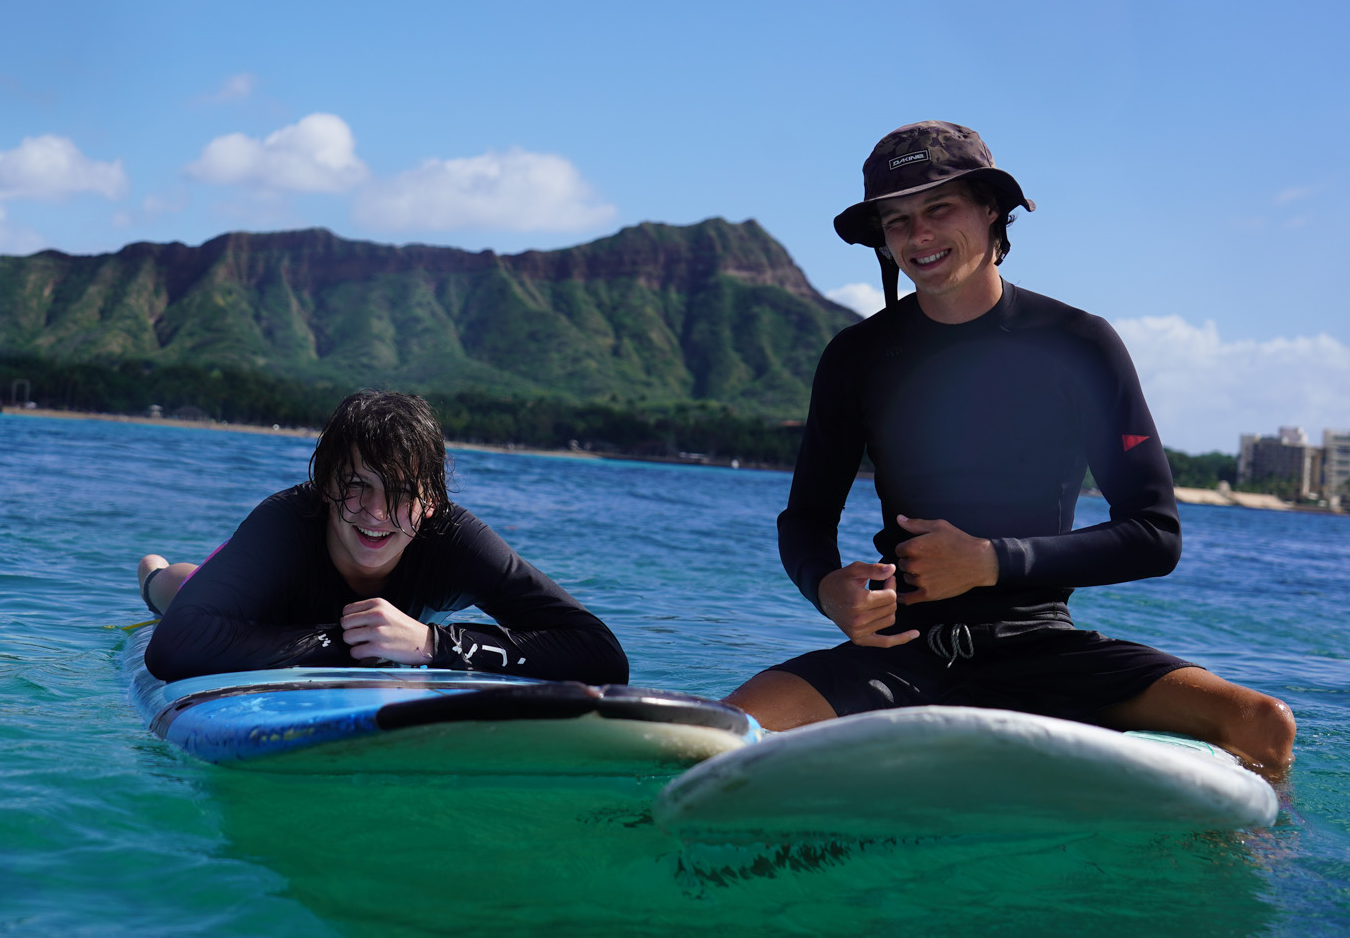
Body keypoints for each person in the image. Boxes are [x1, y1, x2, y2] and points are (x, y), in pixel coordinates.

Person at [725, 121, 1296, 775]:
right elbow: (805, 520)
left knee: (1262, 725)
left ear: (991, 208)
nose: (919, 236)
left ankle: (1229, 875)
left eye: (939, 208)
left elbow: (1154, 531)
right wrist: (828, 588)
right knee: (716, 737)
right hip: (903, 650)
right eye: (898, 219)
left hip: (1045, 648)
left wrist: (990, 561)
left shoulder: (1079, 344)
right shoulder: (857, 356)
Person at [137, 389, 629, 684]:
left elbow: (600, 654)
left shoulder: (454, 540)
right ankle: (153, 573)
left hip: (402, 625)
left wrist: (434, 644)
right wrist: (349, 642)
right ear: (325, 487)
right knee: (177, 590)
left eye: (400, 493)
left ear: (432, 501)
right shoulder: (286, 524)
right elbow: (172, 646)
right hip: (263, 603)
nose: (377, 514)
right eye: (357, 486)